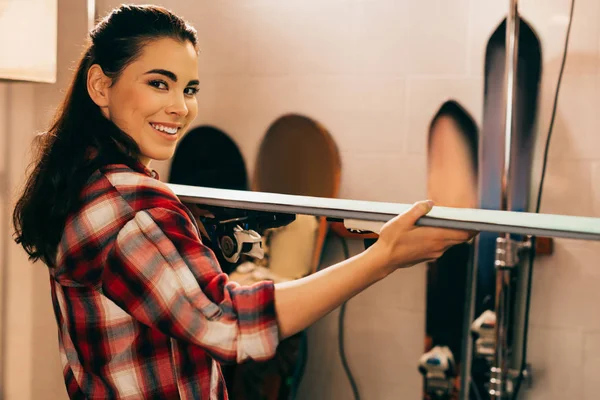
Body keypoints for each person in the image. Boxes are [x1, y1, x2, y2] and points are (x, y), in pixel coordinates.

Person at [12, 4, 476, 399]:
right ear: (99, 87)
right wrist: (384, 257)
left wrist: (199, 232)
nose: (180, 107)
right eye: (159, 83)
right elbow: (231, 325)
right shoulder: (131, 206)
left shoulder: (86, 181)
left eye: (189, 89)